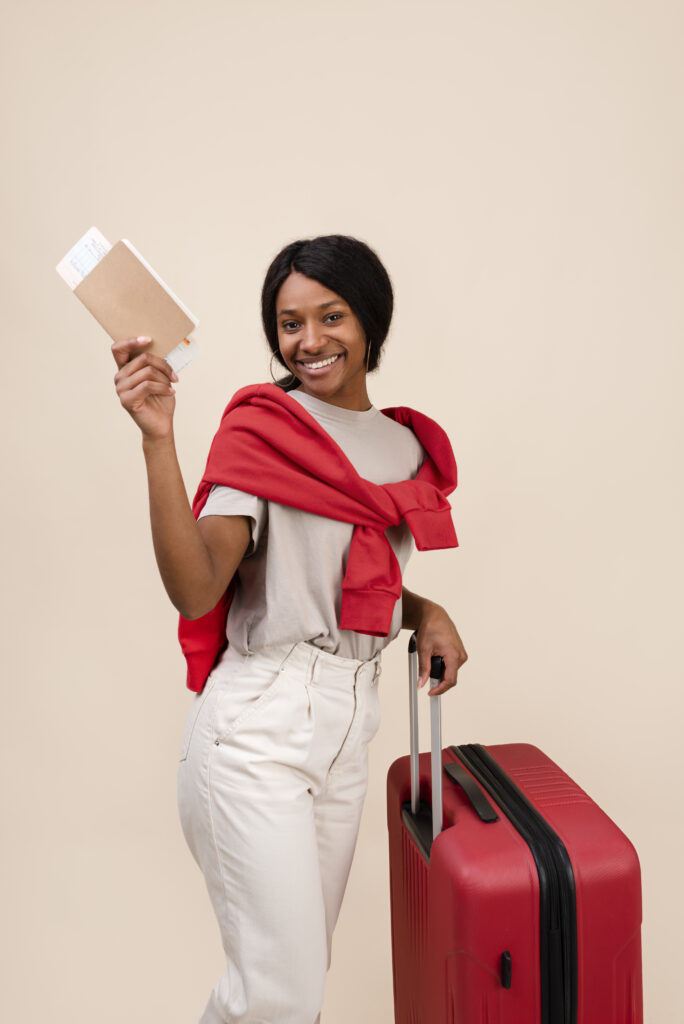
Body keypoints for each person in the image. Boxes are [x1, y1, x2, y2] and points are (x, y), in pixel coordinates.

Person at [111, 234, 468, 1024]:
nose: (309, 342)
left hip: (350, 729)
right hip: (258, 729)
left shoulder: (405, 444)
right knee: (276, 995)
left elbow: (351, 582)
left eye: (330, 316)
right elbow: (198, 585)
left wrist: (423, 610)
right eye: (289, 323)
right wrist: (159, 439)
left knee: (293, 995)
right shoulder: (264, 430)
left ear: (371, 320)